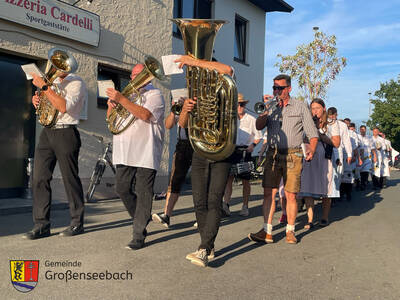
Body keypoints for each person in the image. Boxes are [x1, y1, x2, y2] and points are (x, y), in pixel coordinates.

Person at [177, 55, 235, 267]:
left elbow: (227, 68)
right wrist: (185, 110)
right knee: (199, 201)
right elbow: (182, 125)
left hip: (221, 150)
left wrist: (195, 62)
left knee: (214, 199)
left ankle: (203, 248)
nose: (201, 76)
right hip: (200, 149)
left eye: (204, 71)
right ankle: (207, 245)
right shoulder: (195, 93)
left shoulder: (225, 84)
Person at [248, 74, 318, 244]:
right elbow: (259, 126)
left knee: (290, 195)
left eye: (280, 88)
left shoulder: (300, 106)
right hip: (272, 153)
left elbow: (312, 132)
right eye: (274, 88)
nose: (276, 91)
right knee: (268, 193)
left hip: (293, 154)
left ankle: (290, 230)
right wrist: (265, 111)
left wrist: (312, 149)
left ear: (289, 89)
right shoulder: (271, 106)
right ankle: (267, 231)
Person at [23, 57, 88, 240]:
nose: (56, 68)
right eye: (54, 64)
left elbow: (62, 106)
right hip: (47, 132)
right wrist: (38, 100)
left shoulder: (76, 82)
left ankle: (77, 223)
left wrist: (44, 87)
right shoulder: (52, 82)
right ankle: (41, 225)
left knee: (70, 179)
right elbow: (45, 105)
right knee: (39, 178)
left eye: (60, 65)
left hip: (66, 133)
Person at [106, 63, 165, 250]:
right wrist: (111, 106)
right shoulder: (127, 95)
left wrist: (122, 99)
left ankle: (138, 234)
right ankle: (142, 217)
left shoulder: (155, 94)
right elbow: (111, 120)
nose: (136, 78)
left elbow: (145, 115)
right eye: (134, 75)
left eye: (141, 75)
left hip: (145, 151)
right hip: (125, 150)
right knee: (121, 189)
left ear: (149, 78)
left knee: (144, 192)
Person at [152, 95, 193, 228]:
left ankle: (202, 216)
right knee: (174, 180)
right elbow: (168, 125)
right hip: (183, 145)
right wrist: (174, 110)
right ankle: (166, 215)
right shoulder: (179, 107)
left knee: (201, 182)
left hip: (198, 144)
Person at [300, 99, 340, 228]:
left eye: (317, 108)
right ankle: (310, 219)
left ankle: (324, 216)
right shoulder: (308, 122)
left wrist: (320, 134)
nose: (314, 111)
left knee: (326, 187)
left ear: (323, 108)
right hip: (310, 157)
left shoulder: (332, 123)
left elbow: (336, 143)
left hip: (325, 159)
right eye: (312, 108)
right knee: (307, 187)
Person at [222, 93, 262, 217]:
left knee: (245, 180)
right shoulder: (229, 119)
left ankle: (245, 206)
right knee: (229, 179)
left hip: (245, 152)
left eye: (242, 104)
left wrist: (253, 146)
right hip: (231, 151)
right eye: (238, 104)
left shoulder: (251, 119)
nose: (240, 106)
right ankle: (226, 205)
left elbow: (258, 136)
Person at [327, 108, 352, 203]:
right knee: (328, 173)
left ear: (336, 115)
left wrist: (349, 154)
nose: (331, 117)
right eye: (330, 115)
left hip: (338, 151)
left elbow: (346, 140)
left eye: (333, 115)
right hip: (327, 150)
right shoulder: (325, 123)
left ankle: (335, 195)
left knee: (338, 173)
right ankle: (328, 196)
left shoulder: (342, 125)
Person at [358, 125, 377, 190]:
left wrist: (375, 156)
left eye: (364, 129)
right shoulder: (357, 137)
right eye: (361, 129)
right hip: (359, 157)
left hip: (367, 157)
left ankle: (363, 184)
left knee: (365, 171)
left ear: (366, 130)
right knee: (358, 171)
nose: (363, 131)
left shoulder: (369, 138)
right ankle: (358, 183)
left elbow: (373, 148)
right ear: (360, 130)